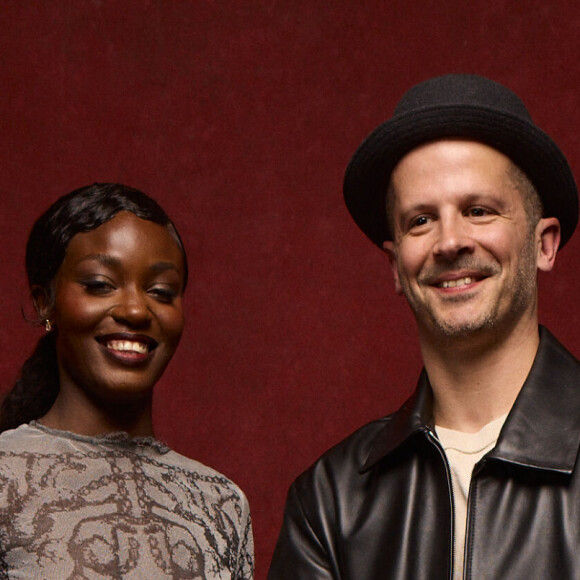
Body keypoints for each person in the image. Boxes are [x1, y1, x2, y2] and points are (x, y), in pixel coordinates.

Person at [268, 74, 580, 579]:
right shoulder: (331, 500)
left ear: (544, 244)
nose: (449, 241)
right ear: (395, 266)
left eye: (478, 211)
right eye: (420, 221)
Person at [0, 183, 254, 579]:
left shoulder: (222, 503)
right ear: (44, 301)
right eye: (100, 285)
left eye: (161, 291)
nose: (136, 310)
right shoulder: (6, 478)